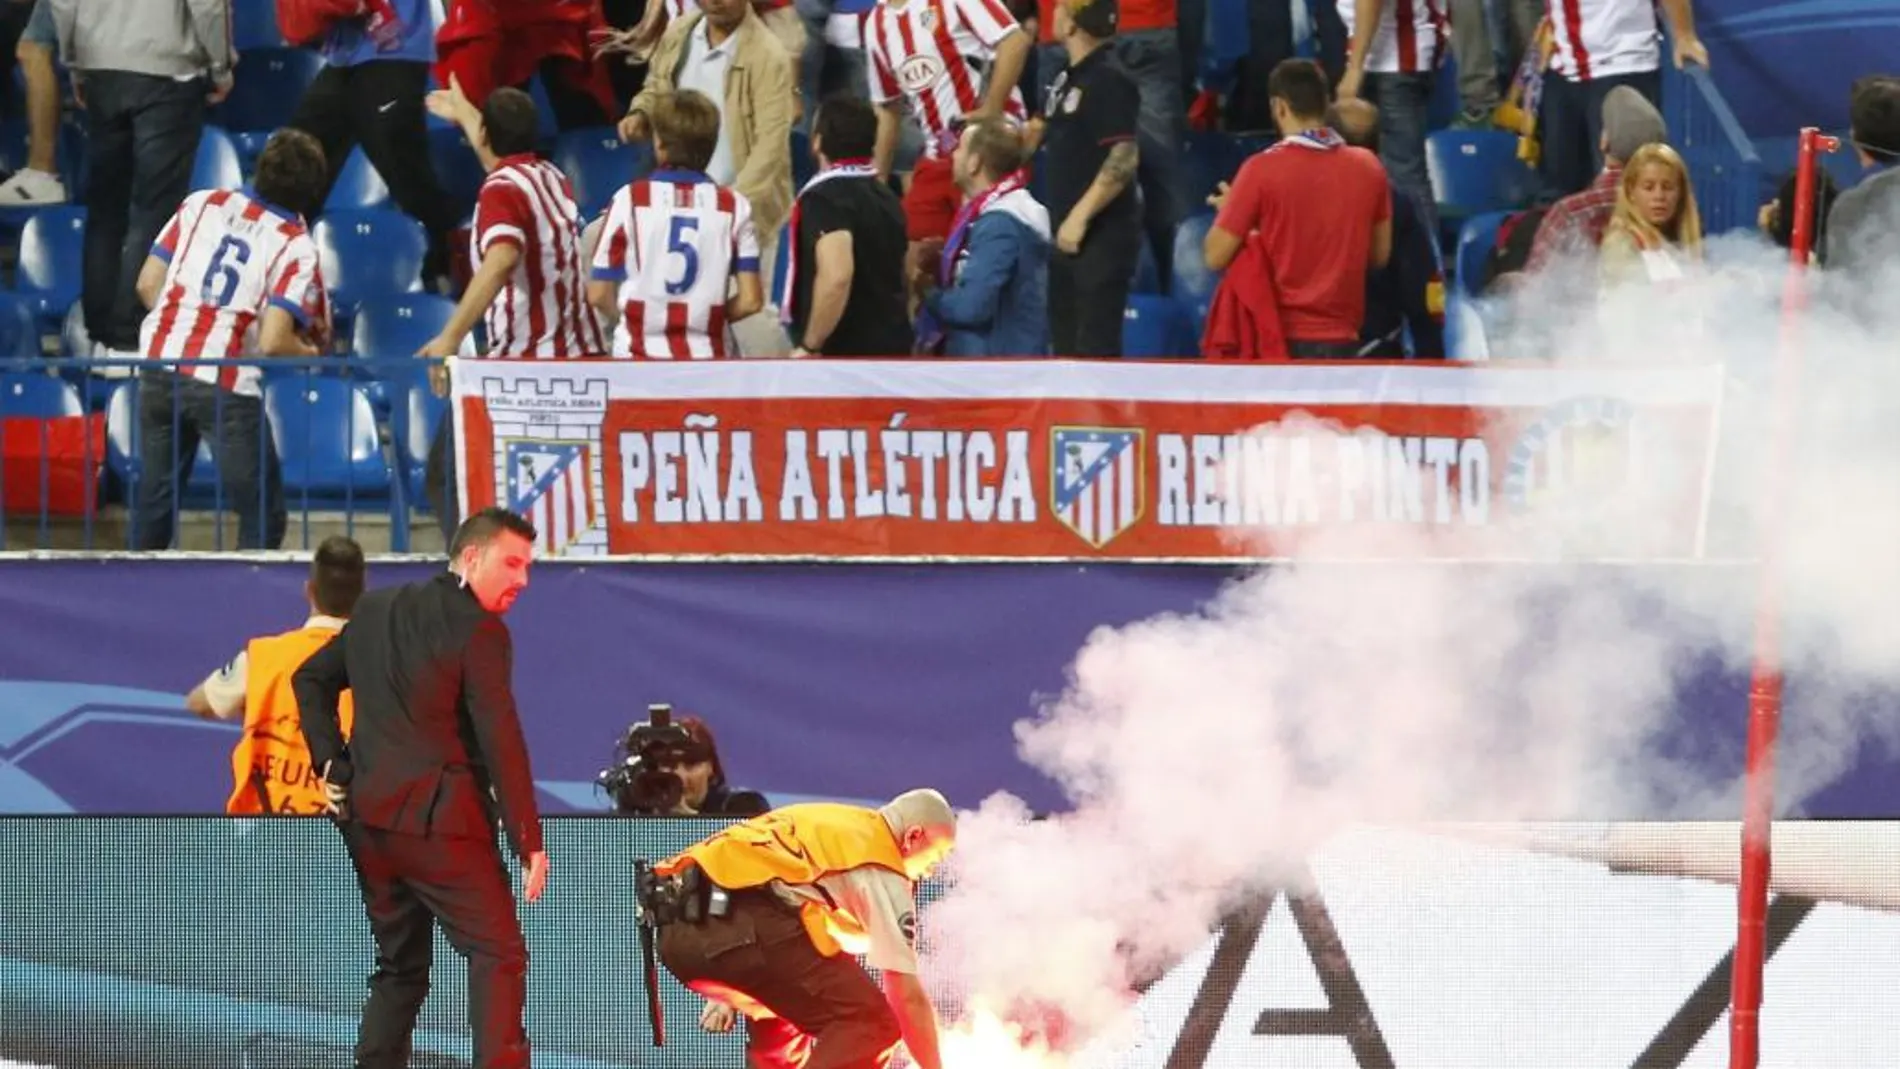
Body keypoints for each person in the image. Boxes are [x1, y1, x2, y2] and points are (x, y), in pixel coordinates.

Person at [293, 507, 550, 1069]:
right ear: (472, 556)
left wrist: (331, 764)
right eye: (513, 564)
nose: (522, 581)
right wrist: (527, 838)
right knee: (498, 953)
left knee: (400, 967)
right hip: (442, 826)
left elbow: (310, 679)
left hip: (370, 825)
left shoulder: (377, 608)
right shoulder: (482, 630)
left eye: (528, 567)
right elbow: (500, 735)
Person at [643, 789, 958, 1069]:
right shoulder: (882, 864)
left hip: (680, 933)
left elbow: (749, 872)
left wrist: (732, 975)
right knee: (871, 1023)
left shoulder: (831, 825)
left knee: (787, 1013)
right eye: (937, 856)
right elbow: (905, 995)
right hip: (745, 929)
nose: (930, 873)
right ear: (913, 836)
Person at [132, 128, 333, 551]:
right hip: (222, 378)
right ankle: (250, 607)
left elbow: (148, 284)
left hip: (156, 363)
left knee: (154, 506)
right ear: (310, 193)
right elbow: (277, 339)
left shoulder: (201, 202)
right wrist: (310, 351)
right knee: (262, 514)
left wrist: (182, 331)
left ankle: (135, 604)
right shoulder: (295, 246)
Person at [52, 0, 232, 359]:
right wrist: (220, 65)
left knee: (105, 209)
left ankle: (99, 329)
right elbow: (208, 6)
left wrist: (75, 61)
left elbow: (62, 4)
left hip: (102, 67)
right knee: (154, 209)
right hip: (169, 73)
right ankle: (129, 333)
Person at [187, 537, 367, 815]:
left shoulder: (263, 658)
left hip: (267, 839)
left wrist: (255, 702)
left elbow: (199, 702)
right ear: (363, 595)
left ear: (309, 591)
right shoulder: (380, 664)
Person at [590, 89, 764, 358]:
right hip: (708, 362)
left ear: (659, 144)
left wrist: (635, 320)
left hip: (637, 359)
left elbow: (599, 294)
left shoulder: (629, 200)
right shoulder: (735, 207)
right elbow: (751, 300)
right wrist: (707, 319)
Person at [1041, 0, 1142, 357]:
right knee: (1067, 353)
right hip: (1068, 235)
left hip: (1098, 238)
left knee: (1092, 356)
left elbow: (1124, 155)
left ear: (1070, 24)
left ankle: (1098, 416)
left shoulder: (1109, 78)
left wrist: (1079, 219)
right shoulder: (1068, 76)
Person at [782, 93, 913, 358]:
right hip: (892, 348)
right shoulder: (886, 196)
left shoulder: (824, 198)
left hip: (845, 357)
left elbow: (837, 276)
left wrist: (811, 345)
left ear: (817, 142)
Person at [914, 117, 1052, 357]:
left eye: (960, 149)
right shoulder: (997, 213)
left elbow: (971, 308)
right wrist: (945, 264)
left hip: (995, 373)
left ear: (974, 163)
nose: (953, 155)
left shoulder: (1001, 223)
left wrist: (929, 292)